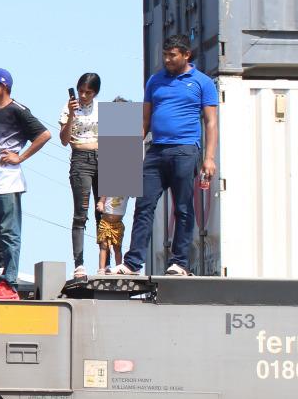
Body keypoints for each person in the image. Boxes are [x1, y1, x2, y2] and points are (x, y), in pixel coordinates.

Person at [116, 35, 218, 276]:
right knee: (144, 205)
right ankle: (132, 263)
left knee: (183, 208)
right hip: (156, 151)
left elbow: (211, 122)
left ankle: (179, 262)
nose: (167, 59)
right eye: (165, 54)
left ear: (186, 55)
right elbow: (144, 120)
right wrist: (126, 154)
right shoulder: (155, 81)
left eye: (172, 55)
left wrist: (209, 158)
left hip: (185, 150)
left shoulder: (202, 82)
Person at [0, 68, 51, 300]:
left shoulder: (18, 110)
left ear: (3, 86)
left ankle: (9, 283)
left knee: (8, 233)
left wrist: (21, 157)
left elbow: (44, 134)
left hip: (7, 183)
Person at [59, 72, 102, 279]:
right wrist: (71, 115)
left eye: (89, 92)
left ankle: (106, 262)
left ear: (95, 93)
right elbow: (64, 140)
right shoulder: (68, 110)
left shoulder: (104, 109)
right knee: (81, 212)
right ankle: (79, 263)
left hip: (103, 157)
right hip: (80, 158)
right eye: (81, 91)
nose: (84, 96)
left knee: (105, 212)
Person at [96, 193, 127, 273]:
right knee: (104, 245)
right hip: (105, 221)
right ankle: (101, 269)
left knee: (117, 247)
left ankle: (118, 268)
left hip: (118, 223)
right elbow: (102, 200)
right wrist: (101, 203)